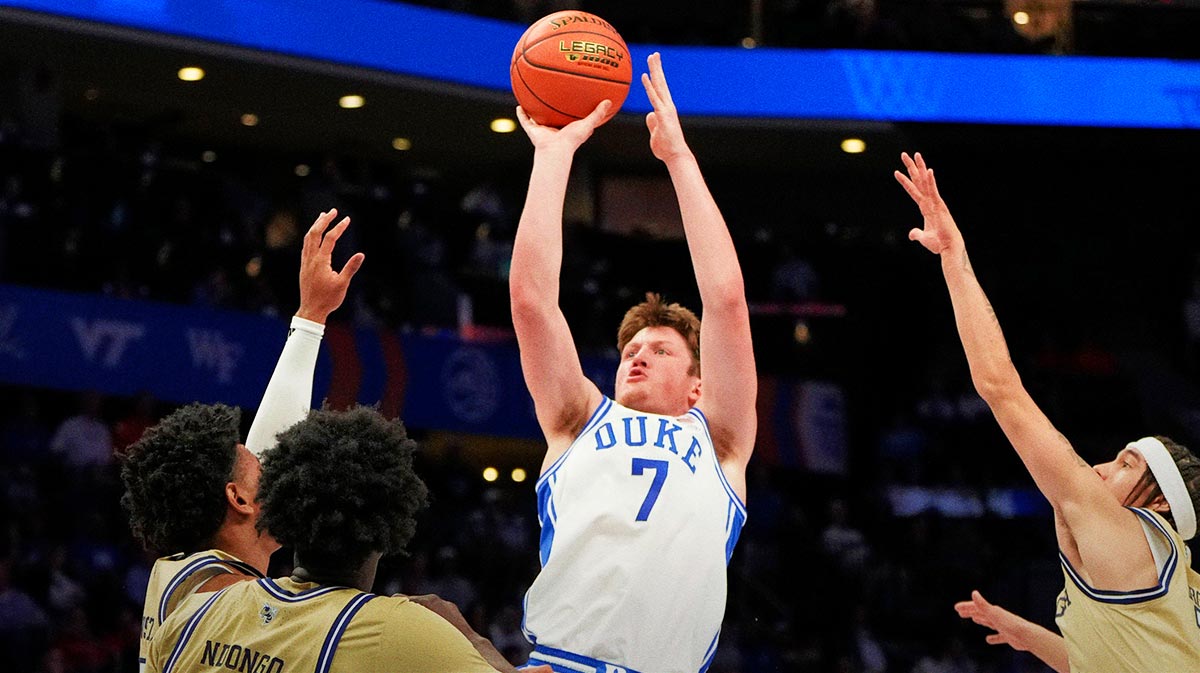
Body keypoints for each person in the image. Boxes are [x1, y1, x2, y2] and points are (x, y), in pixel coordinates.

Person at [896, 151, 1200, 673]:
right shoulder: (1170, 582)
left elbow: (1000, 386)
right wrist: (1029, 636)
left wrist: (955, 259)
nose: (1102, 467)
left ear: (1163, 505)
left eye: (1127, 465)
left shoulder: (1126, 534)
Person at [510, 52, 757, 673]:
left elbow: (725, 301)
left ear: (698, 385)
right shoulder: (576, 419)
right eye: (630, 351)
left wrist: (678, 157)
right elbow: (532, 303)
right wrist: (553, 156)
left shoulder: (720, 440)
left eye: (661, 350)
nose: (638, 357)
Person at [121, 209, 363, 671]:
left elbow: (272, 447)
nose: (273, 465)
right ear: (238, 498)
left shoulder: (176, 574)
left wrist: (311, 318)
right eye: (255, 465)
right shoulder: (240, 606)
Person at [144, 407, 550, 673]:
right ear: (389, 526)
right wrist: (470, 636)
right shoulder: (400, 629)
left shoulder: (195, 611)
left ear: (286, 508)